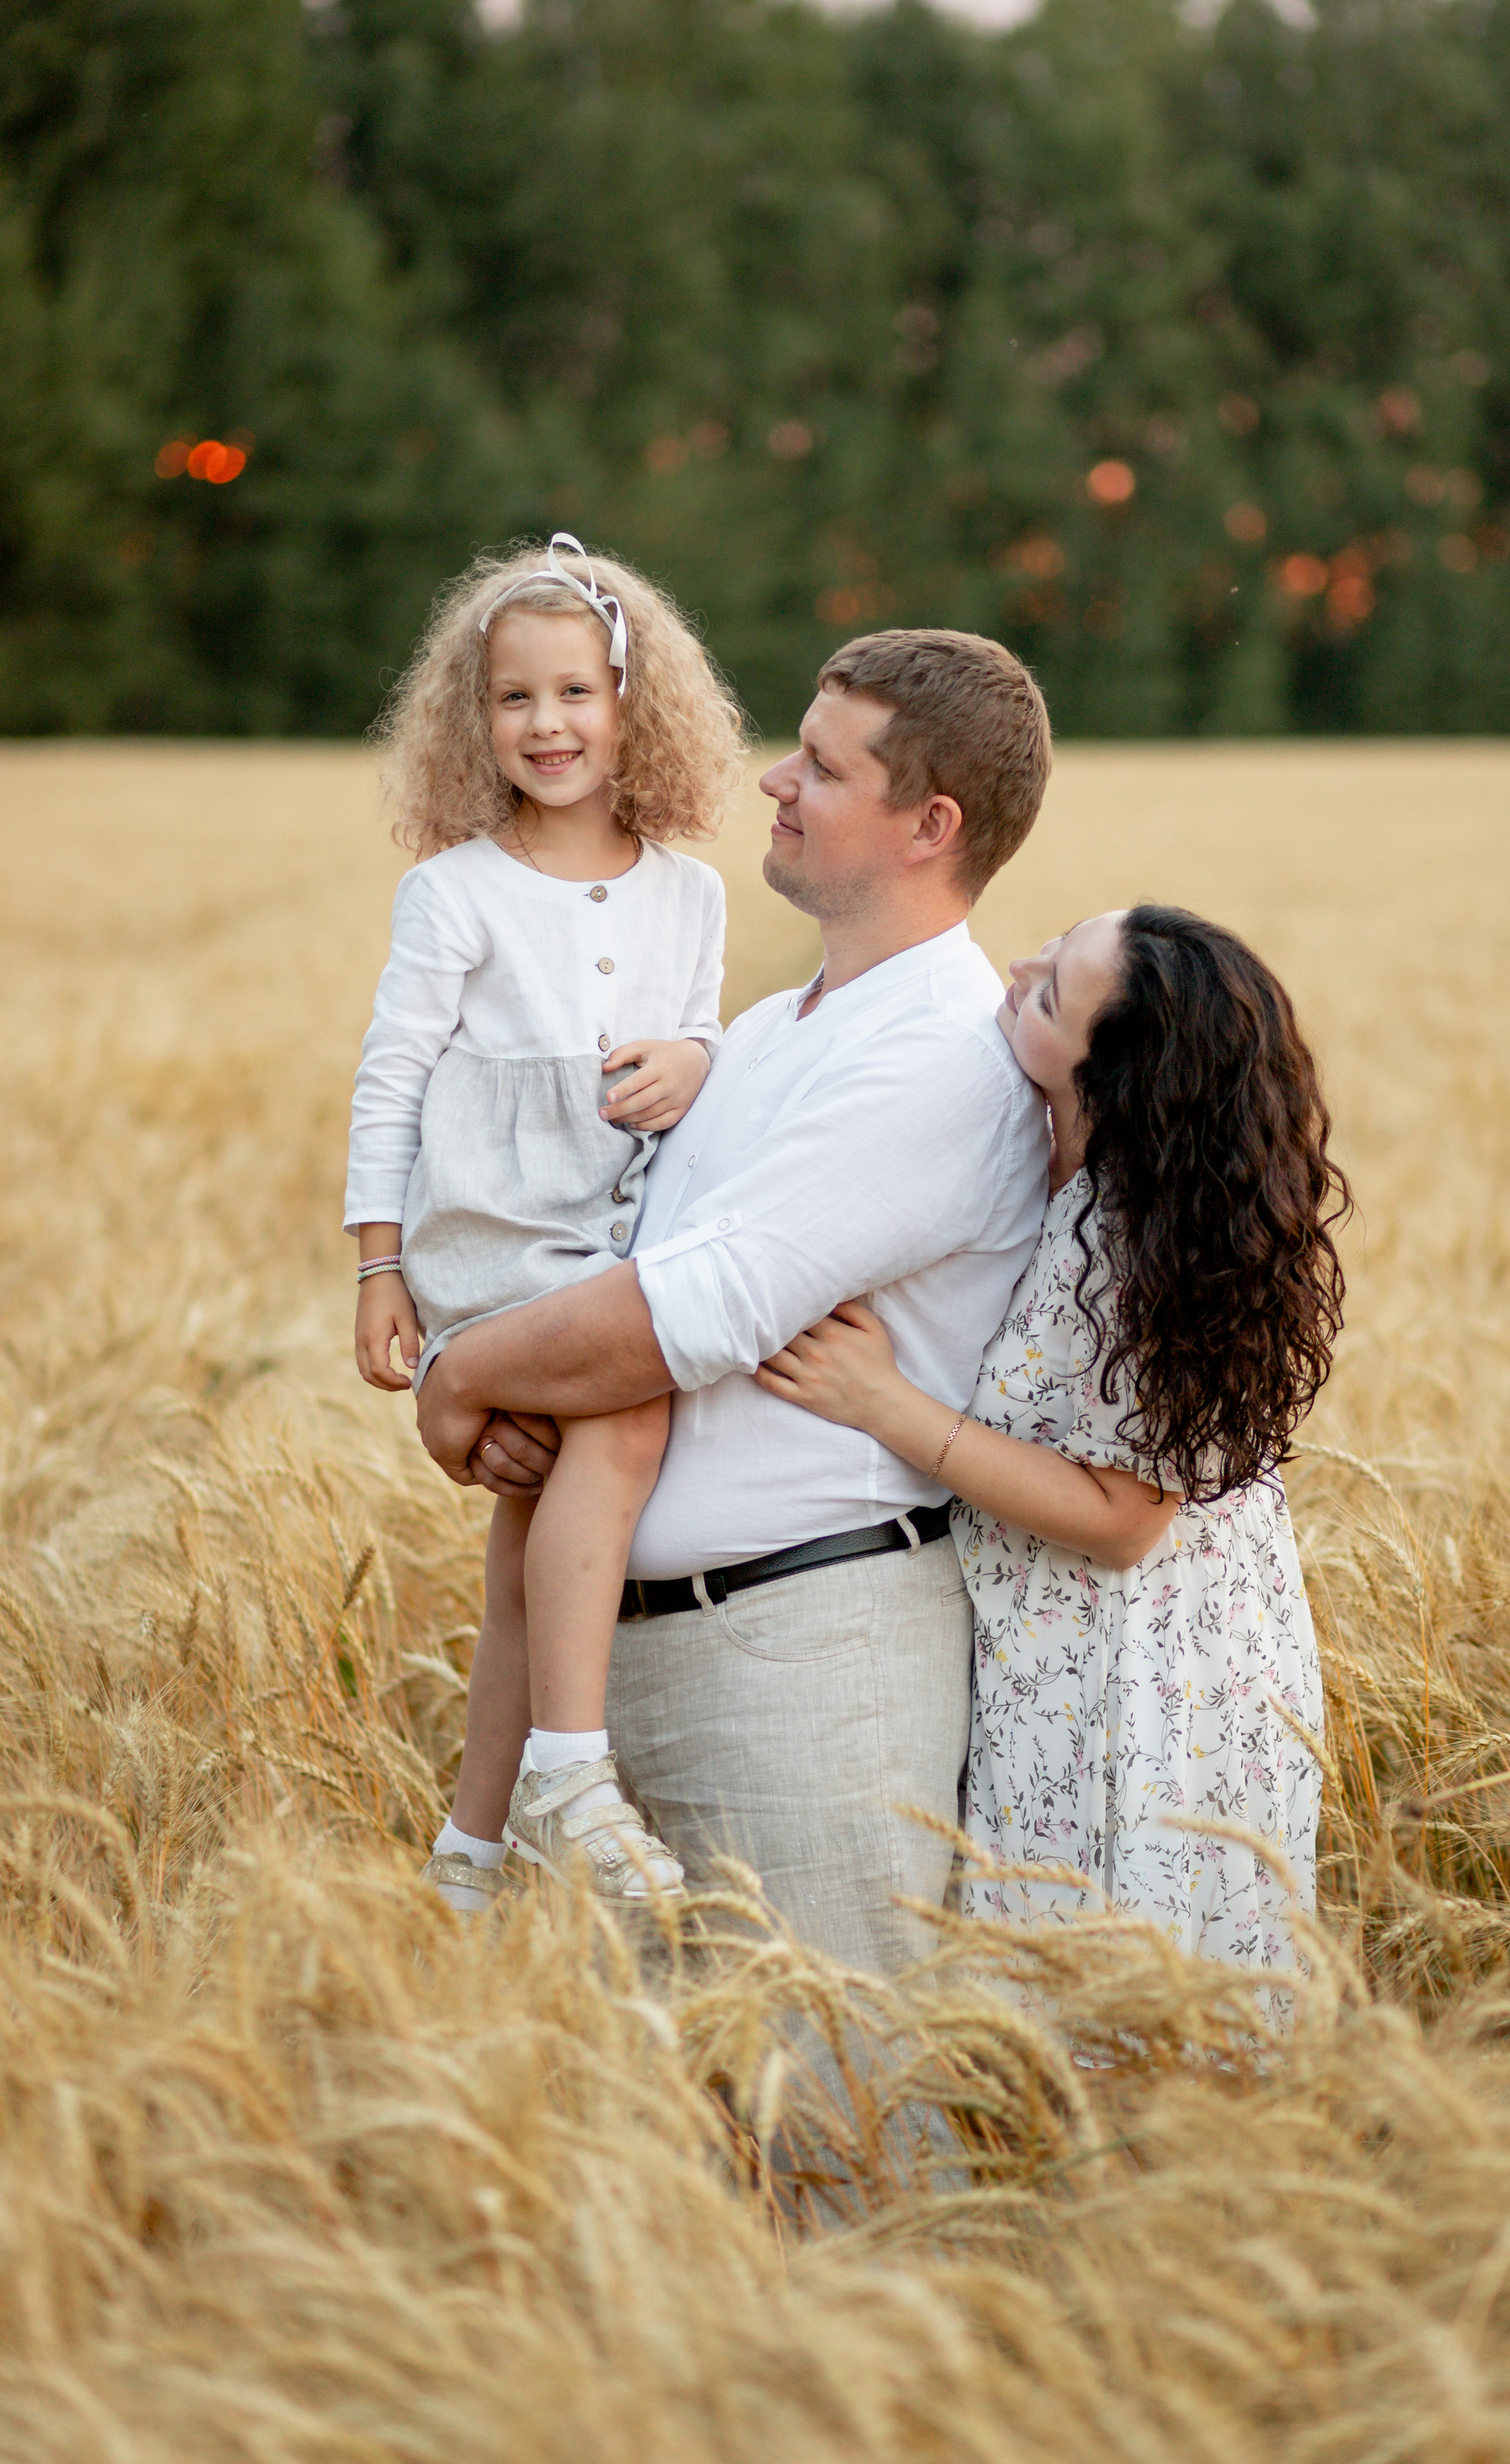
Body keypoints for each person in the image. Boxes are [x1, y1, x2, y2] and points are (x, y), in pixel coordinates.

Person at [414, 628, 1053, 1972]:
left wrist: (459, 1380)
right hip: (638, 1671)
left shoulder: (938, 1056)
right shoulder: (773, 1031)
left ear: (927, 825)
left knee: (831, 2145)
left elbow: (679, 1316)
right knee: (662, 2165)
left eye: (820, 767)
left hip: (801, 1675)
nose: (774, 779)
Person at [756, 906, 1349, 1974]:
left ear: (1109, 1073)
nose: (1016, 967)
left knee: (1116, 2005)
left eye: (1049, 992)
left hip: (1139, 1672)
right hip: (1069, 1648)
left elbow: (1125, 1522)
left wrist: (888, 1407)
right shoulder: (1047, 1158)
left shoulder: (1136, 1233)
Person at [346, 535, 744, 1911]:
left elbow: (696, 1028)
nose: (547, 725)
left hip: (624, 1215)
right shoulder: (453, 892)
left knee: (531, 1510)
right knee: (626, 1416)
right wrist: (379, 1266)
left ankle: (470, 1848)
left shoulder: (689, 891)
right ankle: (571, 1774)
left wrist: (697, 1058)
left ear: (633, 706)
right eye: (514, 700)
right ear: (476, 719)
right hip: (496, 1229)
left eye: (575, 693)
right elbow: (390, 1076)